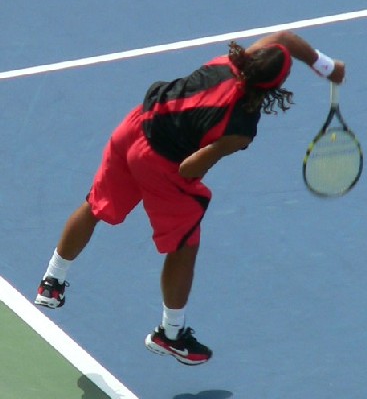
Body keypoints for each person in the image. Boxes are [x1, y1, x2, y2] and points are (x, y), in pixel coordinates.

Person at [34, 30, 345, 366]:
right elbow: (190, 167)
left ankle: (52, 282)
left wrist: (325, 66)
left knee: (95, 205)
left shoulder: (228, 61)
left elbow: (284, 37)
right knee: (185, 244)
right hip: (161, 162)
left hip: (137, 123)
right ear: (273, 88)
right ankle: (170, 333)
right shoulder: (240, 127)